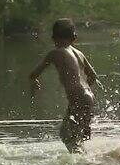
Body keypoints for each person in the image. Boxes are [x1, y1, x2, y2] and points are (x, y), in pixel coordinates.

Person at [29, 18, 98, 153]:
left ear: (53, 38)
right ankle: (84, 158)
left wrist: (34, 82)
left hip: (79, 98)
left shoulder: (55, 53)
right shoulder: (79, 53)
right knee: (75, 136)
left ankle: (82, 162)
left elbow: (34, 73)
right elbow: (93, 76)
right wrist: (83, 91)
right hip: (89, 97)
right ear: (74, 38)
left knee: (67, 135)